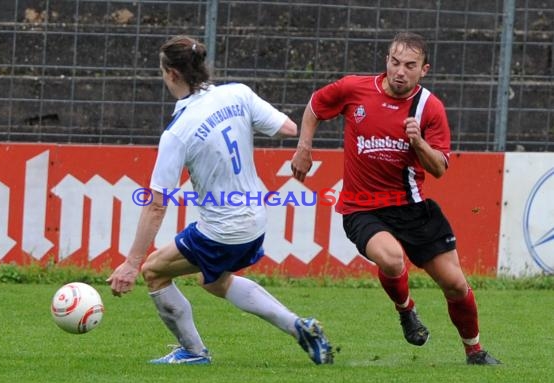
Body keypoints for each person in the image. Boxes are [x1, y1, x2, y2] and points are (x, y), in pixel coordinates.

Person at [106, 35, 333, 365]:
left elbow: (156, 204)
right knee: (211, 280)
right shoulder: (237, 93)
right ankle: (300, 328)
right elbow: (287, 127)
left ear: (171, 74)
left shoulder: (178, 131)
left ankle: (194, 352)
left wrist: (131, 263)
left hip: (223, 229)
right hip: (254, 219)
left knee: (154, 271)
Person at [291, 32, 500, 365]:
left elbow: (440, 169)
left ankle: (474, 351)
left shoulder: (429, 107)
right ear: (387, 60)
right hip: (362, 208)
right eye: (394, 62)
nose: (400, 71)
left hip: (412, 208)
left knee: (456, 284)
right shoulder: (354, 89)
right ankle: (407, 311)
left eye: (410, 66)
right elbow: (315, 106)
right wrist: (304, 148)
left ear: (424, 70)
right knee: (391, 259)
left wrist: (419, 144)